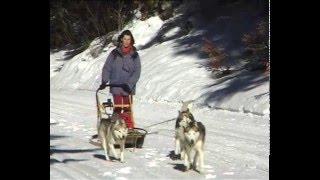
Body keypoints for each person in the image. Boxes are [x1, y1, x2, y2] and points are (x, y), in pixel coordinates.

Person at [99, 30, 141, 129]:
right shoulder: (114, 53)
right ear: (121, 39)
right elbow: (107, 67)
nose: (127, 41)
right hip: (116, 85)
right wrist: (104, 81)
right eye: (125, 39)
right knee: (118, 108)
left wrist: (130, 84)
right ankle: (116, 128)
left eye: (129, 39)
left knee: (127, 108)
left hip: (128, 87)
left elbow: (137, 71)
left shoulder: (134, 55)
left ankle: (129, 128)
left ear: (131, 41)